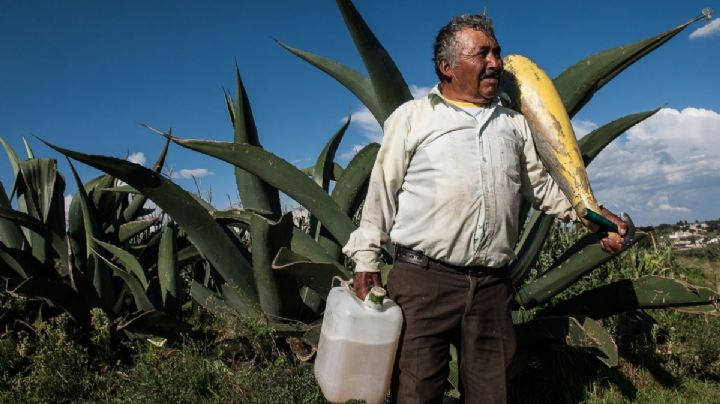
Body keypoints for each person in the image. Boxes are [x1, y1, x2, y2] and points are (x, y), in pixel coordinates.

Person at [342, 13, 628, 404]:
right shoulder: (413, 119)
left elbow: (542, 188)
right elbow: (382, 192)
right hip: (423, 282)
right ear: (447, 66)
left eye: (497, 52)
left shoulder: (514, 125)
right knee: (416, 392)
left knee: (491, 395)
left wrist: (593, 217)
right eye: (482, 54)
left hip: (491, 287)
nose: (496, 62)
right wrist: (366, 260)